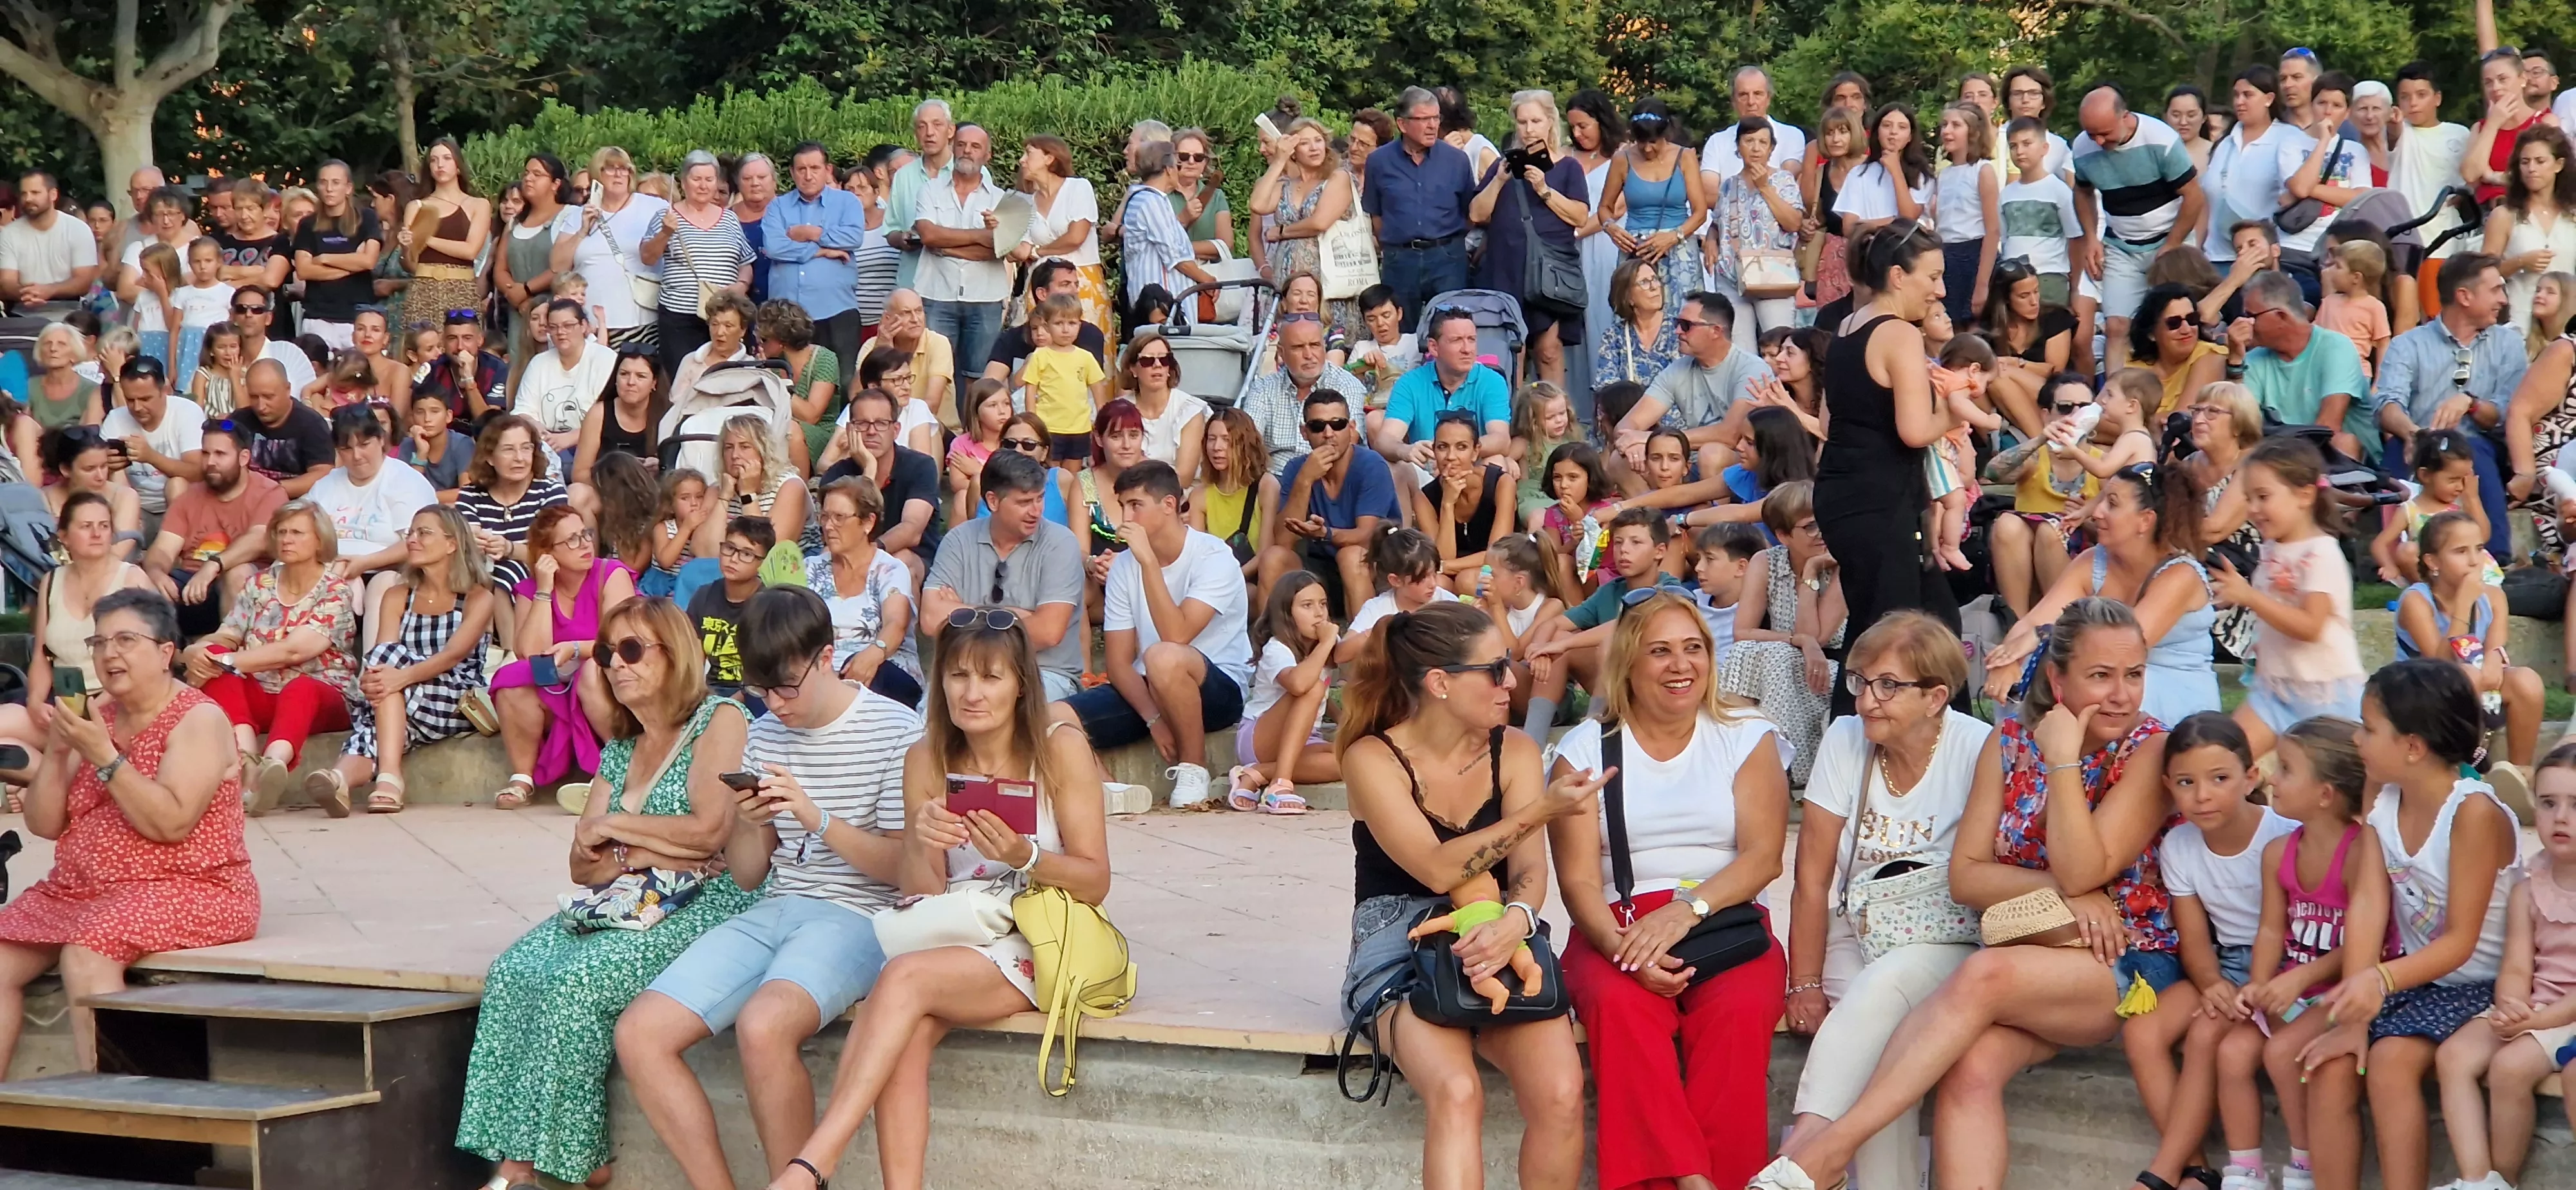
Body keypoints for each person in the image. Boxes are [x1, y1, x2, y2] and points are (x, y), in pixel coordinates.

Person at [1752, 598, 2175, 1190]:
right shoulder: (2006, 745)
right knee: (1968, 1069)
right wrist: (2072, 890)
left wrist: (2060, 763)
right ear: (2057, 680)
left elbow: (2082, 870)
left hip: (2124, 966)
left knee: (1981, 976)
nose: (2123, 696)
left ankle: (1825, 1152)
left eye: (2134, 675)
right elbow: (1968, 877)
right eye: (2101, 676)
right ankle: (1826, 1153)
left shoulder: (2150, 748)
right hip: (2034, 954)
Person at [762, 606, 1110, 1190]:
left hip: (1041, 933)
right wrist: (923, 843)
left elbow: (1097, 881)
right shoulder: (925, 758)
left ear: (1021, 683)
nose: (972, 693)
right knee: (903, 1033)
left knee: (899, 983)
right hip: (957, 929)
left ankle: (810, 1166)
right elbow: (921, 897)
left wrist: (1024, 856)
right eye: (958, 676)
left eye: (991, 677)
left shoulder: (1059, 748)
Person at [614, 584, 923, 1190]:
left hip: (860, 913)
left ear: (827, 657)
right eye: (761, 691)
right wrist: (752, 826)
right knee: (640, 1034)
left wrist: (817, 818)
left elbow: (906, 871)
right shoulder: (766, 732)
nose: (776, 705)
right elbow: (752, 873)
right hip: (779, 904)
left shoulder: (895, 729)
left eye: (786, 687)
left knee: (764, 1025)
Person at [454, 596, 757, 1190]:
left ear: (677, 655)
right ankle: (518, 1163)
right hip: (623, 899)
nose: (615, 664)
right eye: (606, 652)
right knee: (514, 971)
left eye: (633, 650)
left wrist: (616, 830)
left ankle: (572, 1163)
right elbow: (580, 864)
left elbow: (708, 831)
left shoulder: (718, 720)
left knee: (578, 980)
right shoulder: (621, 747)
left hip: (708, 902)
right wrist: (642, 853)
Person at [1335, 599, 1595, 1190]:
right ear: (1440, 684)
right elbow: (1433, 869)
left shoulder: (1516, 751)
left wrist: (1517, 921)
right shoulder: (1372, 757)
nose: (1512, 679)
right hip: (1400, 938)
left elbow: (1529, 873)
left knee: (1560, 1093)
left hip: (1499, 928)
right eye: (1495, 668)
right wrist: (1541, 811)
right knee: (1457, 1092)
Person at [1542, 589, 1786, 1190]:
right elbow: (1575, 880)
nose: (1682, 666)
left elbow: (1763, 857)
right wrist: (1625, 946)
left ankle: (1716, 1177)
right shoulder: (1583, 751)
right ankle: (1690, 1180)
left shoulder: (1746, 734)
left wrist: (1687, 911)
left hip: (1720, 913)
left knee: (1738, 1011)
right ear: (1629, 662)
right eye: (1661, 652)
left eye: (1694, 648)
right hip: (1618, 921)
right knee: (1621, 1009)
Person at [0, 589, 254, 1077]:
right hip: (80, 890)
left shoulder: (197, 718)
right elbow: (44, 825)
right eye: (99, 642)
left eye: (125, 640)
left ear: (165, 653)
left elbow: (170, 822)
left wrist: (104, 756)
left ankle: (117, 1119)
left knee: (88, 951)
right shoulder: (101, 714)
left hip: (190, 886)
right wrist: (56, 753)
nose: (109, 653)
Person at [1779, 611, 1989, 1190]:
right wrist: (1805, 981)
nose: (1867, 701)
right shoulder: (1847, 738)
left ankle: (1800, 1153)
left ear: (1937, 696)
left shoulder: (1976, 748)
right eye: (1861, 681)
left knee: (1878, 994)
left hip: (1945, 935)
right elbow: (1812, 877)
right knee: (1880, 1052)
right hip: (1860, 924)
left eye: (1888, 685)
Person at [2300, 660, 2519, 1190]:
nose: (2357, 739)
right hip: (2418, 979)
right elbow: (2370, 902)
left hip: (2486, 986)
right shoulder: (2383, 796)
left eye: (2369, 728)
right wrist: (2354, 1013)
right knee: (2328, 1062)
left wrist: (2378, 982)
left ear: (2413, 747)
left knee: (2392, 1062)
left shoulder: (2472, 814)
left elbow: (2463, 942)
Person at [1814, 221, 1956, 710]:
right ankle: (1856, 748)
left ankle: (1943, 738)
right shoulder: (1898, 332)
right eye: (1933, 277)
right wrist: (1953, 410)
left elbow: (1831, 419)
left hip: (1846, 494)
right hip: (1878, 501)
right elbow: (1915, 431)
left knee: (1898, 624)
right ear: (1898, 275)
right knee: (1891, 638)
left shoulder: (1848, 326)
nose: (1940, 291)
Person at [1058, 460, 1250, 809]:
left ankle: (1194, 768)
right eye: (1122, 507)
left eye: (1135, 506)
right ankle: (1109, 790)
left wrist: (1148, 563)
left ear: (1169, 505)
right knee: (1052, 717)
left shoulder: (1215, 557)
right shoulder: (1125, 566)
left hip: (1218, 690)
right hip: (1150, 691)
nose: (1126, 519)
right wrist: (1154, 720)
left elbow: (1176, 634)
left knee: (1163, 655)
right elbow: (1118, 663)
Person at [2432, 744, 2576, 1190]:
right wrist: (2511, 1005)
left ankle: (2507, 1178)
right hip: (2537, 1006)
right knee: (2454, 1055)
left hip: (2565, 1015)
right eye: (2548, 803)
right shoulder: (2528, 886)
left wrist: (2536, 1020)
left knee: (2510, 1067)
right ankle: (2483, 1180)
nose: (2561, 817)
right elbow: (2517, 963)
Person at [1987, 462, 2217, 726]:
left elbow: (2123, 648)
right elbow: (2031, 622)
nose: (2096, 512)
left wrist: (2040, 636)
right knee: (2028, 670)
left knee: (2082, 683)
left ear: (2146, 520)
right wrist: (2008, 660)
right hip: (2109, 673)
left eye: (2112, 504)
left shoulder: (2181, 575)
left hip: (2170, 688)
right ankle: (2024, 760)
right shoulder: (2093, 562)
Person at [309, 502, 496, 814]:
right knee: (383, 680)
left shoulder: (478, 597)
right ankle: (341, 779)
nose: (412, 540)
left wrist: (397, 678)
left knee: (387, 676)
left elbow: (453, 655)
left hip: (455, 694)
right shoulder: (399, 595)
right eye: (411, 533)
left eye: (424, 533)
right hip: (402, 694)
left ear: (452, 544)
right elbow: (384, 655)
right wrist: (375, 680)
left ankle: (387, 777)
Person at [182, 500, 360, 815]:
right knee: (218, 659)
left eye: (297, 533)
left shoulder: (335, 590)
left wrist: (224, 661)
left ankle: (274, 763)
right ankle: (248, 765)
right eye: (281, 532)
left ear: (320, 540)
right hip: (262, 693)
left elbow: (294, 650)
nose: (286, 539)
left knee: (299, 687)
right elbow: (228, 635)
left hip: (323, 694)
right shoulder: (259, 583)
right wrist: (198, 651)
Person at [2212, 437, 2365, 760]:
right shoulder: (2271, 549)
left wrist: (2250, 597)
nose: (2253, 509)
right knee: (2224, 760)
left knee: (2331, 794)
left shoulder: (2321, 552)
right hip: (2274, 692)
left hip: (2325, 698)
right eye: (2249, 498)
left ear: (2305, 495)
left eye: (2263, 497)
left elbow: (2311, 626)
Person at [489, 506, 636, 809]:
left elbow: (621, 641)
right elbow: (529, 652)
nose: (585, 544)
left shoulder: (611, 574)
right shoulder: (531, 590)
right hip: (559, 683)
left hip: (610, 677)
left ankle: (619, 768)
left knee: (593, 670)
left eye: (585, 534)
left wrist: (575, 648)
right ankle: (522, 778)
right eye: (571, 540)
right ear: (547, 553)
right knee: (510, 678)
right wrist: (545, 589)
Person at [921, 449, 1088, 702]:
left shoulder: (1061, 543)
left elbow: (1048, 632)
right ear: (993, 501)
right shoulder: (958, 540)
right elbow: (932, 619)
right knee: (925, 726)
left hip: (1041, 673)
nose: (1036, 511)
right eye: (1024, 503)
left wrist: (962, 612)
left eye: (1040, 498)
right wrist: (1018, 616)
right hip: (966, 671)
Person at [2074, 87, 2207, 371]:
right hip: (2122, 244)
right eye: (2090, 133)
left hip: (2171, 240)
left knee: (2175, 324)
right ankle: (2113, 397)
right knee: (2116, 326)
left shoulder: (2161, 140)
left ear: (2125, 116)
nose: (2098, 141)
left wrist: (2173, 245)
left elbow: (2194, 197)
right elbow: (2082, 192)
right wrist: (2091, 239)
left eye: (2105, 133)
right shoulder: (2083, 147)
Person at [1468, 91, 1591, 387]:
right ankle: (1511, 424)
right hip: (1506, 268)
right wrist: (1499, 180)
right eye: (1522, 122)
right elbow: (1476, 214)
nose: (1529, 129)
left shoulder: (1568, 166)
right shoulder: (1503, 166)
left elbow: (1580, 217)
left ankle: (1554, 425)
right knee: (1513, 352)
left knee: (1549, 350)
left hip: (1549, 270)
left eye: (1536, 121)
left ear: (1550, 122)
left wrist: (1545, 190)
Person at [305, 404, 439, 649]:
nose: (356, 456)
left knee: (384, 583)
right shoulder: (325, 486)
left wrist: (365, 564)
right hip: (330, 568)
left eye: (364, 445)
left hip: (388, 569)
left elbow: (419, 543)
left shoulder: (406, 481)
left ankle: (372, 668)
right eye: (347, 449)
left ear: (381, 440)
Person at [1256, 388, 1401, 610]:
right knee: (1273, 557)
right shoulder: (1296, 468)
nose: (1328, 433)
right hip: (1320, 569)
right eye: (1317, 426)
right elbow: (1284, 541)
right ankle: (1268, 642)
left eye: (1338, 424)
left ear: (1351, 428)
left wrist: (1327, 534)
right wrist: (1305, 480)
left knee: (1350, 556)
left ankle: (1364, 640)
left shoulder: (1372, 465)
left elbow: (1365, 536)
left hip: (1373, 567)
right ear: (1304, 432)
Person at [1611, 291, 1773, 477]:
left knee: (1712, 454)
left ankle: (1714, 507)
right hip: (1689, 463)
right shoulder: (1677, 370)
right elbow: (1626, 426)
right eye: (1677, 324)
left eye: (1686, 326)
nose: (1677, 331)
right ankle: (1651, 507)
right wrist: (1633, 443)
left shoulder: (1752, 369)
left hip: (1745, 464)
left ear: (1716, 331)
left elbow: (1730, 435)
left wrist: (1648, 440)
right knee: (1621, 458)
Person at [145, 422, 283, 637]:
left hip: (245, 588)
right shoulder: (189, 497)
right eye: (206, 453)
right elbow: (163, 549)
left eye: (220, 454)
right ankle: (166, 663)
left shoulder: (270, 493)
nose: (210, 462)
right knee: (145, 582)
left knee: (239, 574)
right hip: (192, 584)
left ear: (244, 458)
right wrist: (155, 572)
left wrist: (213, 566)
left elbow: (259, 539)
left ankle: (231, 658)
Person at [28, 491, 152, 728]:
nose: (97, 534)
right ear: (64, 536)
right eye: (86, 526)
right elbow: (41, 656)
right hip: (65, 701)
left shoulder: (132, 578)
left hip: (118, 703)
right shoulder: (51, 580)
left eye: (104, 526)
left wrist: (97, 707)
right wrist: (35, 702)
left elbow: (146, 659)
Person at [1363, 87, 1478, 330]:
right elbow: (1376, 216)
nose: (1432, 125)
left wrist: (1448, 241)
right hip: (1400, 259)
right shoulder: (1378, 162)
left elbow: (1470, 214)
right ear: (1402, 124)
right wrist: (1395, 247)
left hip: (1447, 257)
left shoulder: (1457, 160)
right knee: (1402, 332)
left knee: (1452, 329)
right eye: (1424, 119)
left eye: (1436, 118)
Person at [2230, 269, 2373, 460]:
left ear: (2281, 316)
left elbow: (2327, 428)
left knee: (2341, 442)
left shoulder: (2336, 347)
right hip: (2280, 458)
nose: (2244, 323)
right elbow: (2241, 427)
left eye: (2251, 316)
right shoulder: (2255, 358)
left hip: (2333, 459)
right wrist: (2235, 361)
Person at [759, 143, 866, 393]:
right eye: (802, 169)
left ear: (828, 170)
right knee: (788, 382)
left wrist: (810, 233)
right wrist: (821, 250)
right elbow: (774, 247)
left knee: (843, 380)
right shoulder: (777, 206)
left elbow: (853, 237)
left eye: (815, 168)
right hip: (786, 314)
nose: (808, 175)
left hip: (836, 308)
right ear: (793, 173)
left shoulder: (847, 202)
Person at [807, 478, 922, 708]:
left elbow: (895, 624)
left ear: (868, 523)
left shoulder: (890, 569)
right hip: (822, 671)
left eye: (839, 517)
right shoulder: (810, 568)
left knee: (862, 675)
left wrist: (875, 653)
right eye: (825, 517)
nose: (828, 526)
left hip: (883, 664)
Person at [642, 151, 755, 377]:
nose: (703, 186)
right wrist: (666, 232)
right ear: (684, 183)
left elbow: (746, 261)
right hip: (680, 318)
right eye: (697, 179)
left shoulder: (729, 218)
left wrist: (741, 286)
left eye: (709, 180)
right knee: (686, 380)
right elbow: (647, 257)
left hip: (725, 317)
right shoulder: (666, 216)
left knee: (727, 378)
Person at [913, 124, 1009, 387]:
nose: (967, 151)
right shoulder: (929, 190)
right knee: (934, 376)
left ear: (987, 156)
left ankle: (973, 429)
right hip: (936, 294)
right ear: (953, 148)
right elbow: (929, 236)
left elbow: (1000, 249)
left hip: (986, 298)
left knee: (979, 378)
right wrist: (980, 236)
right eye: (962, 144)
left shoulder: (1002, 199)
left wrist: (948, 247)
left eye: (976, 146)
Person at [1251, 118, 1362, 335]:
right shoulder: (1285, 184)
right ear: (1293, 150)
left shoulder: (1338, 178)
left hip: (1326, 278)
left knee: (1326, 338)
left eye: (1318, 141)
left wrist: (1282, 232)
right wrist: (1279, 161)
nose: (1314, 148)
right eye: (1305, 143)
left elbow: (1320, 222)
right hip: (1287, 278)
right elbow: (1257, 204)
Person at [1710, 116, 1809, 351]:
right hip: (1732, 278)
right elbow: (1717, 222)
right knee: (1740, 351)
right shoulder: (1728, 185)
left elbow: (1794, 223)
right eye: (1749, 140)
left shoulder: (1783, 180)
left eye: (1762, 142)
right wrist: (1712, 240)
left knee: (1779, 346)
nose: (1756, 148)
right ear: (1738, 146)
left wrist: (1765, 186)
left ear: (1771, 148)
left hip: (1773, 276)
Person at [1602, 98, 1710, 311]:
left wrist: (1674, 236)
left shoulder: (1685, 157)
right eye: (1642, 142)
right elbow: (1605, 207)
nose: (1648, 149)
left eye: (1654, 142)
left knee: (1683, 318)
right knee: (1636, 316)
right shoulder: (1622, 160)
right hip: (1637, 250)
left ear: (1666, 134)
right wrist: (1610, 227)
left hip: (1678, 248)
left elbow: (1700, 213)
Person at [1377, 307, 1512, 477]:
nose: (1467, 349)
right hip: (1427, 472)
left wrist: (1455, 454)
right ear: (1434, 347)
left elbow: (1501, 439)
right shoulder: (1410, 383)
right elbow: (1385, 440)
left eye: (1471, 339)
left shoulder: (1492, 381)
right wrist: (1405, 450)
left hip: (1471, 470)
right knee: (1393, 468)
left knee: (1497, 462)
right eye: (1457, 340)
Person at [818, 388, 938, 574]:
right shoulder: (836, 475)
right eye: (862, 424)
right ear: (850, 430)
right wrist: (869, 470)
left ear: (896, 430)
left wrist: (869, 554)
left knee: (898, 563)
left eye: (881, 423)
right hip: (850, 556)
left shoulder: (921, 466)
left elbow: (912, 530)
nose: (871, 431)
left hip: (913, 558)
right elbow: (839, 531)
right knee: (828, 559)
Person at [567, 146, 672, 353]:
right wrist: (582, 230)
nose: (619, 174)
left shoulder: (654, 206)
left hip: (643, 322)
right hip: (591, 324)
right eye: (611, 168)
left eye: (624, 169)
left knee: (639, 381)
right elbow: (557, 265)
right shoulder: (578, 214)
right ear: (598, 173)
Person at [1238, 314, 1369, 477]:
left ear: (1324, 347)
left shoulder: (1347, 385)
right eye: (1298, 347)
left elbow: (1348, 443)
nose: (1309, 355)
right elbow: (1248, 443)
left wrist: (1305, 477)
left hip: (1330, 478)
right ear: (1281, 353)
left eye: (1314, 345)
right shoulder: (1263, 388)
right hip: (1274, 480)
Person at [457, 413, 571, 594]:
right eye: (508, 449)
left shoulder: (550, 492)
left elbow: (555, 555)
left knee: (507, 572)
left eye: (526, 448)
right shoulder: (471, 494)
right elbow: (467, 544)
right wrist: (474, 541)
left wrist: (509, 549)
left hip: (539, 586)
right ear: (490, 457)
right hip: (480, 584)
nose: (519, 458)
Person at [2202, 67, 2298, 270]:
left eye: (2248, 95)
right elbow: (2206, 201)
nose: (2239, 102)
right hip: (2215, 257)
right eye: (2236, 95)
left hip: (2259, 259)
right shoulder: (2225, 144)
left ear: (2269, 99)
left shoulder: (2289, 139)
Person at [1016, 136, 1110, 337]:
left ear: (1049, 159)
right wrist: (1001, 229)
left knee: (1087, 348)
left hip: (1081, 282)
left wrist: (1038, 251)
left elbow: (1076, 237)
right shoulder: (1026, 203)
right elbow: (1021, 250)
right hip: (1042, 287)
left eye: (1029, 154)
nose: (1022, 160)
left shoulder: (1078, 188)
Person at [1414, 411, 1516, 595]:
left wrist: (1446, 566)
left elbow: (1498, 553)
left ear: (1476, 451)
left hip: (1501, 568)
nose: (1451, 456)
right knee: (1437, 586)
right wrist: (1447, 504)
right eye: (1443, 447)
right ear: (1434, 450)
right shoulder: (1425, 497)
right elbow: (1443, 556)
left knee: (1468, 581)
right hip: (1450, 571)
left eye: (1461, 447)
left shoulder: (1501, 483)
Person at [288, 161, 386, 352]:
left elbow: (368, 261)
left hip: (356, 317)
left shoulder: (366, 218)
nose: (329, 189)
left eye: (336, 183)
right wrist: (352, 263)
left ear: (348, 188)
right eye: (324, 183)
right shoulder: (308, 224)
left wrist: (324, 258)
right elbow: (304, 270)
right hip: (318, 317)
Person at [399, 139, 495, 325]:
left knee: (462, 345)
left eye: (446, 158)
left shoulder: (478, 204)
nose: (440, 165)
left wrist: (426, 239)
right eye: (434, 160)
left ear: (458, 165)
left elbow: (470, 250)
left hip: (462, 288)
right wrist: (405, 248)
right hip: (423, 288)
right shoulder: (417, 206)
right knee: (422, 347)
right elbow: (411, 265)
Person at [516, 298, 616, 464]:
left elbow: (611, 414)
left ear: (583, 326)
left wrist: (568, 439)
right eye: (553, 327)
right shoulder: (539, 363)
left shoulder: (604, 358)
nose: (560, 332)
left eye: (568, 326)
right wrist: (537, 428)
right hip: (546, 442)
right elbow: (522, 410)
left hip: (593, 443)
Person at [1118, 140, 1216, 310]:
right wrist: (1208, 280)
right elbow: (1176, 256)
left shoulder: (1148, 198)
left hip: (1160, 303)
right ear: (1169, 170)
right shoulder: (1151, 201)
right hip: (1161, 306)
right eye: (1178, 166)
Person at [0, 170, 101, 318]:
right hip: (22, 312)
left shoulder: (79, 229)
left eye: (35, 193)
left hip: (71, 313)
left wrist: (50, 291)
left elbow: (84, 282)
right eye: (24, 193)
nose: (28, 199)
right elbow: (7, 281)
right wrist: (27, 294)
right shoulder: (9, 234)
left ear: (53, 195)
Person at [1117, 330, 1209, 483]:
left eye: (1165, 360)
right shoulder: (1119, 410)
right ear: (1133, 369)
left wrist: (1139, 466)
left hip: (1176, 495)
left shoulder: (1190, 410)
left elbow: (1184, 478)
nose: (1157, 365)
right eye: (1148, 361)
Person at [415, 310, 509, 424]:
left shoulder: (497, 368)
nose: (460, 347)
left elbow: (490, 425)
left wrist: (469, 380)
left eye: (467, 338)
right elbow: (412, 414)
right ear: (443, 341)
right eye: (452, 338)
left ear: (480, 340)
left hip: (484, 439)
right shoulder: (432, 369)